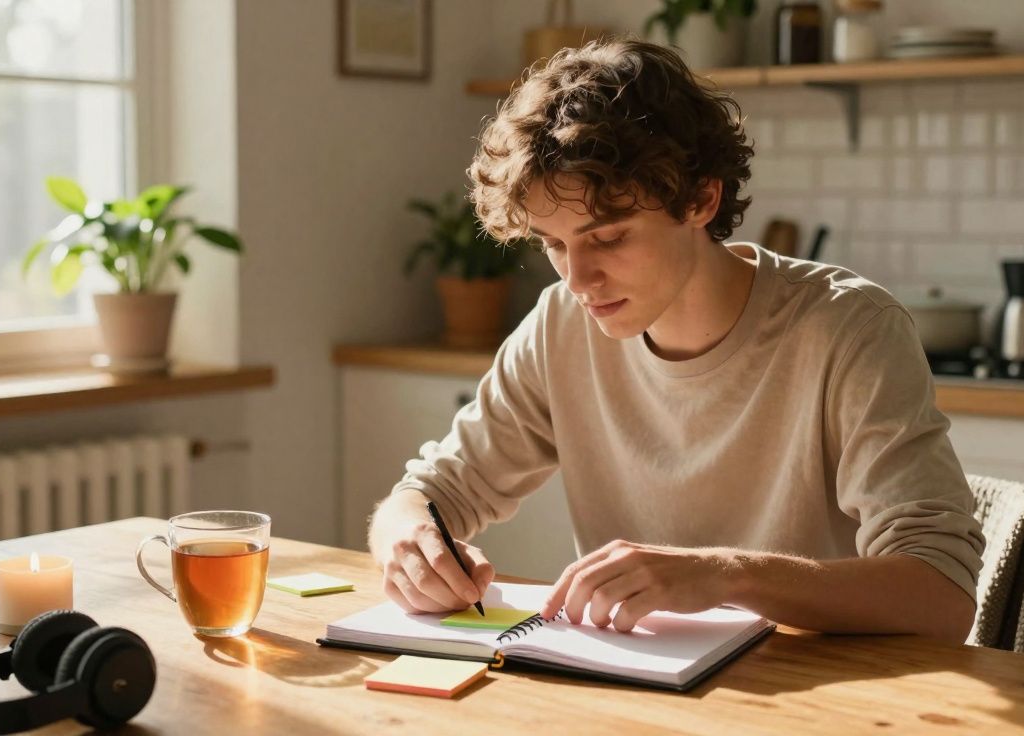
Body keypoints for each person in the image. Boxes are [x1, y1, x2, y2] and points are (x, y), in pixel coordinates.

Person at [367, 38, 984, 642]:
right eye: (554, 245)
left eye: (608, 237)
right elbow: (430, 493)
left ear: (701, 199)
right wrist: (407, 540)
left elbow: (941, 595)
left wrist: (726, 575)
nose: (578, 280)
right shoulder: (560, 326)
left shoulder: (851, 329)